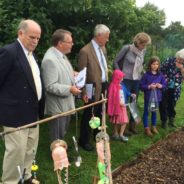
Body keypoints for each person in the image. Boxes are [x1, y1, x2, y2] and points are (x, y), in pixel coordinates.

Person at [0, 19, 44, 184]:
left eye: (38, 38)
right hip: (15, 114)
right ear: (20, 33)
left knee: (30, 149)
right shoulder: (9, 52)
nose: (35, 41)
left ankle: (25, 177)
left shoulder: (33, 56)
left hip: (33, 112)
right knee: (15, 152)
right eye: (32, 37)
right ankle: (10, 181)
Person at [41, 29, 81, 143]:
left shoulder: (61, 55)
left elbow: (60, 72)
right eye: (70, 42)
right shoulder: (50, 60)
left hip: (65, 104)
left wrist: (72, 73)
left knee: (62, 133)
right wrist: (69, 89)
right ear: (60, 43)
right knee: (57, 137)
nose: (72, 44)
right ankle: (57, 158)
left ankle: (61, 154)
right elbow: (50, 86)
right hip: (58, 107)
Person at [78, 24, 110, 151]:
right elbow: (81, 74)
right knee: (89, 113)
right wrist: (84, 91)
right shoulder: (85, 51)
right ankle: (84, 140)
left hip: (103, 85)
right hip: (91, 87)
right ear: (99, 36)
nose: (108, 40)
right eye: (106, 37)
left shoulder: (103, 48)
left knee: (100, 112)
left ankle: (98, 135)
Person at [113, 32, 151, 135]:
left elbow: (141, 64)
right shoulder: (127, 48)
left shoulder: (143, 51)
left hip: (137, 80)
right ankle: (123, 128)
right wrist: (119, 73)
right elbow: (115, 61)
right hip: (126, 79)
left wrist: (143, 73)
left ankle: (132, 126)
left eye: (145, 45)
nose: (144, 47)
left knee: (133, 102)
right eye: (143, 44)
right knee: (123, 103)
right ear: (138, 42)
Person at [140, 56, 166, 136]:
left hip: (157, 97)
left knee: (154, 111)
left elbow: (165, 85)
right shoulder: (146, 75)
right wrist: (149, 86)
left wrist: (160, 85)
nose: (155, 66)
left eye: (157, 64)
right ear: (150, 65)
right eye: (153, 64)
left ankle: (153, 127)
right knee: (147, 112)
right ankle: (146, 128)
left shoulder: (160, 75)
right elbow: (141, 86)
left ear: (159, 65)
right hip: (148, 97)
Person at [108, 70, 136, 141]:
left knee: (124, 121)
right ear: (117, 78)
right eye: (121, 77)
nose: (122, 79)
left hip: (123, 107)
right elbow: (111, 97)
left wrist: (131, 94)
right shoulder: (113, 86)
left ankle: (121, 134)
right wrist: (118, 103)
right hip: (116, 107)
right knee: (116, 121)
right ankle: (116, 133)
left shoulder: (122, 85)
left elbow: (126, 92)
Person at [159, 49, 184, 128]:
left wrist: (182, 69)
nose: (179, 60)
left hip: (175, 88)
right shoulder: (169, 60)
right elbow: (160, 71)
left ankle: (171, 120)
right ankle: (164, 122)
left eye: (182, 59)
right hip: (165, 86)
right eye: (178, 58)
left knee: (172, 104)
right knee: (163, 104)